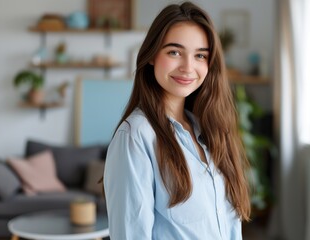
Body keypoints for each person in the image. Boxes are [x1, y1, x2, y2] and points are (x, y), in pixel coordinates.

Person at [103, 1, 251, 239]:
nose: (188, 67)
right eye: (174, 52)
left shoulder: (210, 130)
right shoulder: (136, 136)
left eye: (200, 55)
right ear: (152, 55)